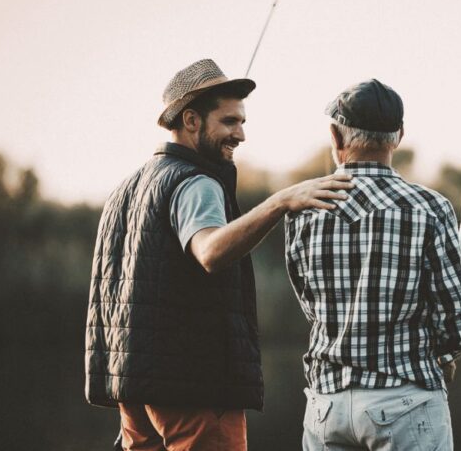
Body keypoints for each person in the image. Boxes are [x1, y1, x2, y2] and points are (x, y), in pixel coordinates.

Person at [85, 58, 354, 451]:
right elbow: (209, 251)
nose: (241, 134)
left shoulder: (126, 189)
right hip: (193, 388)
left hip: (133, 387)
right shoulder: (196, 182)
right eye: (229, 121)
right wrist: (280, 202)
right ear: (191, 120)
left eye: (242, 122)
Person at [284, 79, 461, 450]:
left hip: (327, 405)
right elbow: (458, 322)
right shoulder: (430, 207)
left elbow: (311, 306)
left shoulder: (302, 210)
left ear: (335, 137)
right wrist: (444, 354)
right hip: (406, 400)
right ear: (399, 136)